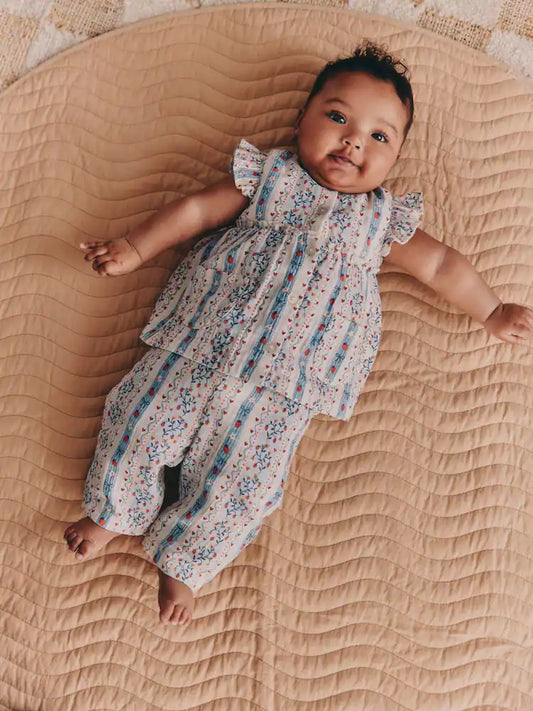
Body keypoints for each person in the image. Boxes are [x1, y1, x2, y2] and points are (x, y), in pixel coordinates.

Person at [64, 42, 533, 627]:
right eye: (337, 117)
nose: (353, 141)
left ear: (396, 157)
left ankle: (185, 560)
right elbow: (195, 212)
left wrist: (491, 310)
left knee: (244, 484)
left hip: (284, 391)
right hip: (197, 348)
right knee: (137, 422)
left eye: (379, 136)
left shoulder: (381, 223)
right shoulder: (268, 179)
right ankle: (112, 513)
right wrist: (135, 249)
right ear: (301, 119)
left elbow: (441, 266)